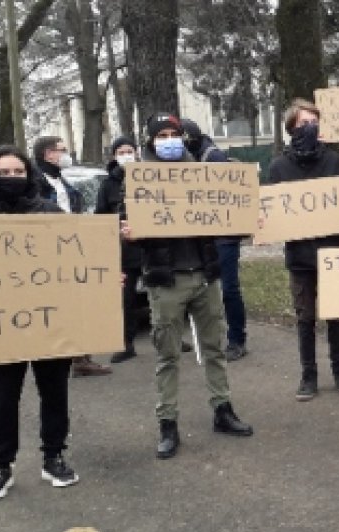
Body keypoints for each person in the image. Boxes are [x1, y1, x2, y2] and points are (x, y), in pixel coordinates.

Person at [123, 112, 253, 459]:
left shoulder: (201, 174)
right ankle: (168, 424)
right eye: (161, 134)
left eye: (174, 134)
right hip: (167, 280)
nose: (169, 140)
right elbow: (126, 229)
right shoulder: (137, 180)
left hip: (204, 274)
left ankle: (222, 410)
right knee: (167, 355)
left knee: (214, 347)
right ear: (151, 141)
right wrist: (130, 236)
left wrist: (246, 216)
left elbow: (225, 215)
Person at [0, 145, 80, 502]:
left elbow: (79, 260)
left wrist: (102, 285)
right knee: (0, 399)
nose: (12, 179)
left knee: (54, 393)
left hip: (48, 323)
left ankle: (54, 457)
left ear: (29, 175)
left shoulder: (50, 214)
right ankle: (0, 466)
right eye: (4, 173)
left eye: (19, 172)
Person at [266, 99, 339, 401]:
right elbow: (272, 215)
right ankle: (308, 376)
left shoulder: (333, 161)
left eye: (315, 123)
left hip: (332, 252)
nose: (311, 128)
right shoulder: (279, 167)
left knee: (335, 317)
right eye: (305, 123)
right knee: (305, 318)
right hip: (300, 257)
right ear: (292, 127)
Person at [32, 135, 113, 377]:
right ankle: (60, 356)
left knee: (78, 305)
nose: (66, 154)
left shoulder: (60, 181)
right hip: (49, 254)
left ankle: (80, 357)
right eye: (62, 150)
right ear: (48, 154)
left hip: (70, 249)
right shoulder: (36, 183)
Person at [181, 118, 249, 362]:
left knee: (228, 288)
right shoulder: (184, 160)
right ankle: (212, 338)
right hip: (202, 234)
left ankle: (236, 339)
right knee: (204, 289)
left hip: (224, 235)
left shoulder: (213, 158)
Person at [95, 136, 143, 363]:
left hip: (150, 247)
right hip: (124, 250)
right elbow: (101, 217)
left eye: (130, 150)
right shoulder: (108, 185)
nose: (126, 155)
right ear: (114, 156)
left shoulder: (147, 176)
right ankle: (127, 343)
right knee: (126, 299)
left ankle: (166, 337)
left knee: (159, 294)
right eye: (121, 152)